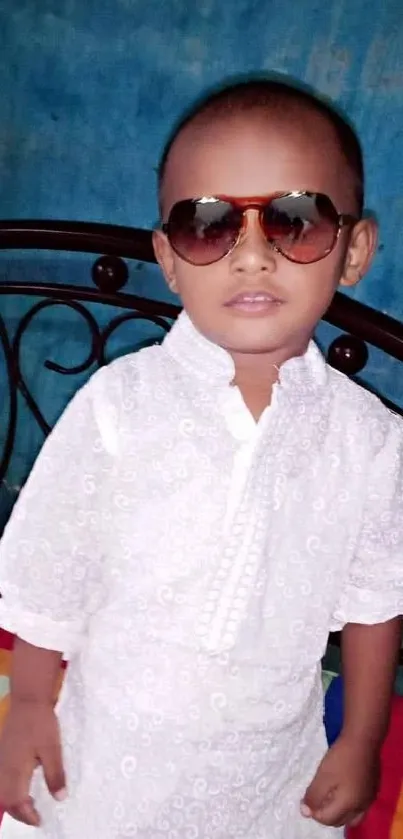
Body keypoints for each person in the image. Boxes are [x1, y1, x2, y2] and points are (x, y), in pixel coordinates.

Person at [0, 77, 402, 839]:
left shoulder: (370, 441)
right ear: (169, 258)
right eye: (209, 226)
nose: (252, 256)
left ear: (353, 251)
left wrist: (361, 738)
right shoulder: (121, 404)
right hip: (108, 754)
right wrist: (26, 705)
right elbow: (53, 569)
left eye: (293, 219)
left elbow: (374, 602)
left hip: (261, 773)